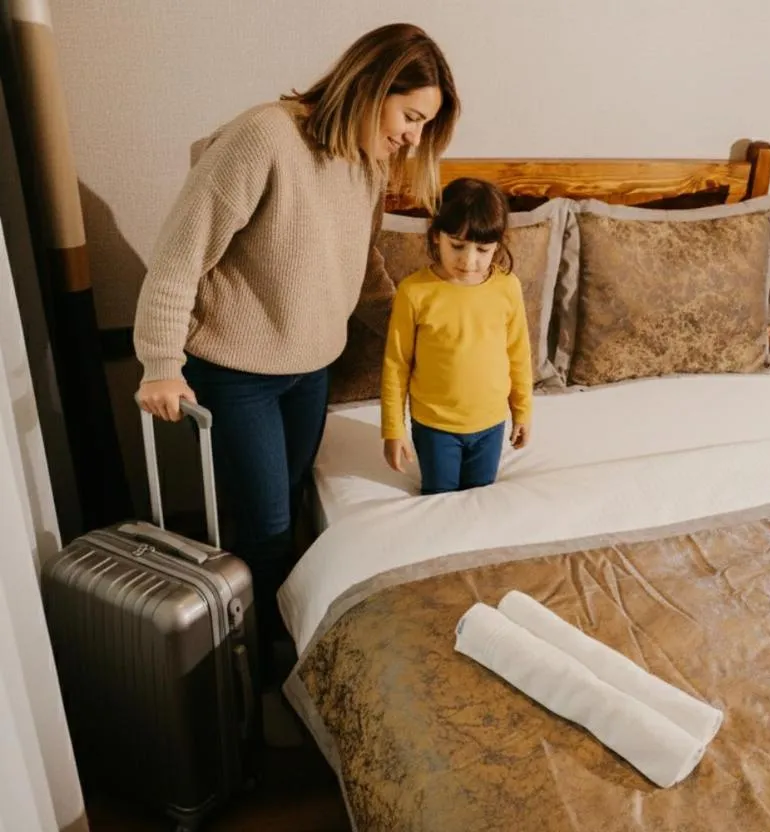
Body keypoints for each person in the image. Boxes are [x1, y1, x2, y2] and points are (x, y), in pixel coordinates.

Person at [132, 23, 460, 684]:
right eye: (410, 117)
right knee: (266, 527)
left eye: (424, 126)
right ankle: (255, 677)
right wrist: (160, 362)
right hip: (236, 373)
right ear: (371, 85)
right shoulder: (265, 137)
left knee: (288, 514)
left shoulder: (367, 162)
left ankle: (274, 653)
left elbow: (361, 265)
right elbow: (179, 256)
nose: (412, 138)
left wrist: (413, 328)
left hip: (312, 371)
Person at [380, 178, 533, 493]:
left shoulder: (507, 288)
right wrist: (393, 429)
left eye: (483, 249)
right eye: (458, 245)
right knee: (441, 501)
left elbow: (518, 354)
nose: (469, 260)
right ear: (437, 236)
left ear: (498, 244)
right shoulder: (415, 292)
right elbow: (396, 364)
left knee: (478, 503)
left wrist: (522, 411)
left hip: (491, 424)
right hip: (436, 427)